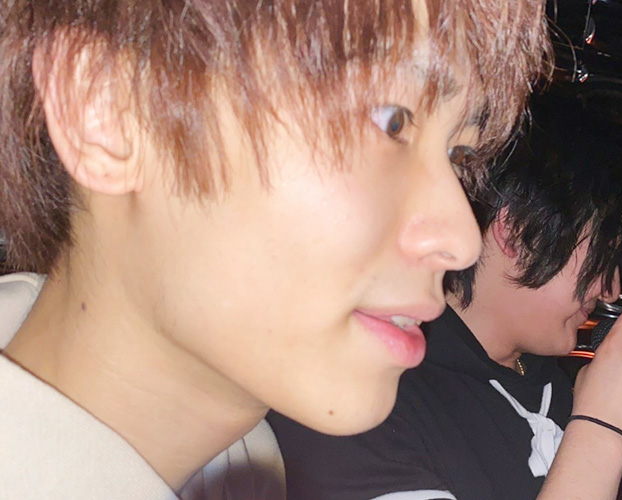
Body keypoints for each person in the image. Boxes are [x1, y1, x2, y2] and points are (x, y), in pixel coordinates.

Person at [0, 1, 551, 498]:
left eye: (458, 157)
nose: (460, 241)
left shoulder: (246, 468)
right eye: (391, 121)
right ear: (105, 109)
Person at [267, 93, 622, 500]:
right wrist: (602, 428)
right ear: (519, 233)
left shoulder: (559, 390)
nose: (610, 289)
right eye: (604, 253)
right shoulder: (360, 390)